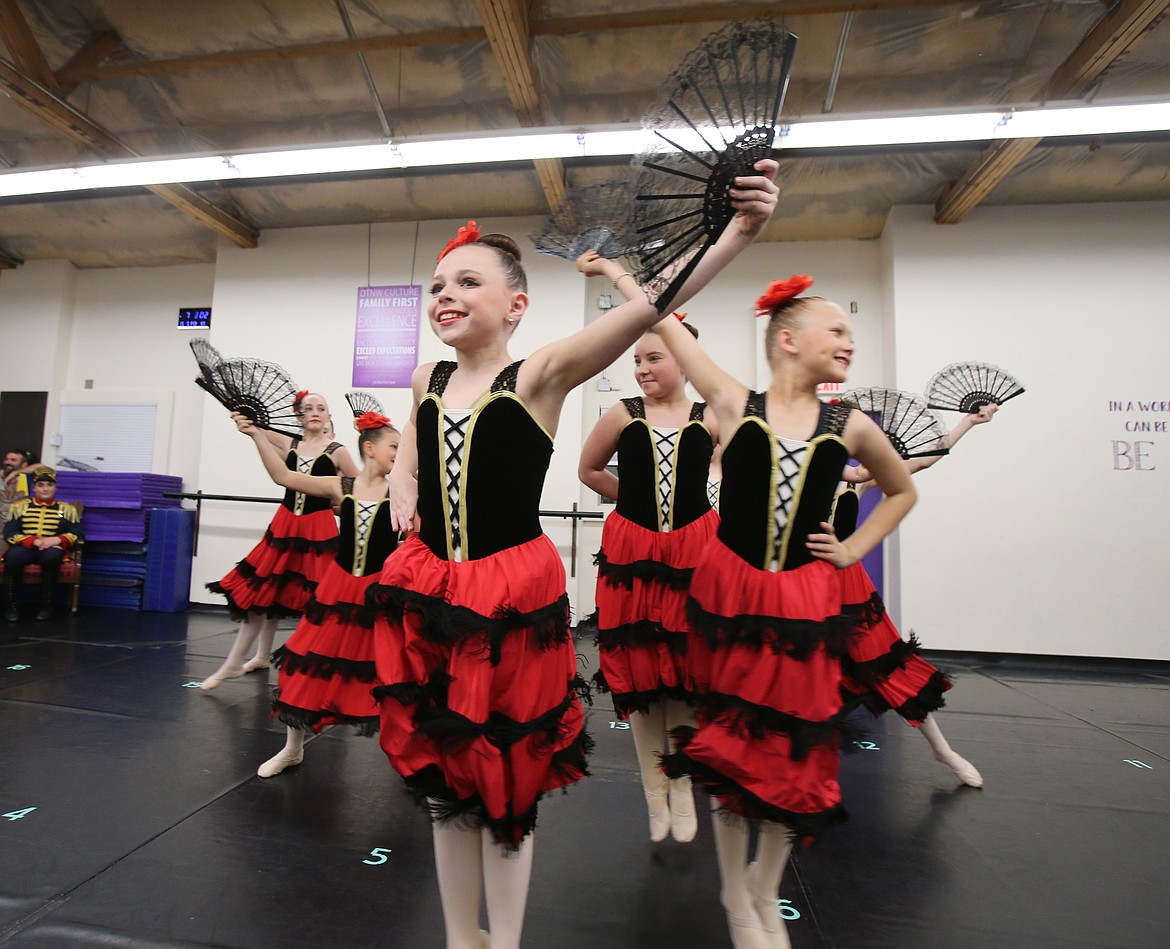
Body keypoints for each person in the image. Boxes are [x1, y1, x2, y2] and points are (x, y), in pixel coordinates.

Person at [371, 164, 777, 949]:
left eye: (465, 281)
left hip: (506, 593)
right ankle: (462, 936)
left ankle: (509, 936)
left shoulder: (542, 373)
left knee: (504, 776)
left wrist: (738, 232)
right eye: (435, 286)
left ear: (516, 305)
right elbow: (416, 449)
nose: (443, 295)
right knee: (444, 776)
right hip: (431, 588)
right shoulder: (427, 374)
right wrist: (401, 486)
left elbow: (651, 307)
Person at [655, 275, 917, 949]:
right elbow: (670, 329)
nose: (848, 343)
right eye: (837, 331)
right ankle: (731, 890)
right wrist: (625, 277)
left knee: (796, 749)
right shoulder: (735, 402)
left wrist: (851, 547)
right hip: (732, 597)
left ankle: (762, 886)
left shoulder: (849, 422)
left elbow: (900, 489)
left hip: (801, 603)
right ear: (788, 340)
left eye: (852, 335)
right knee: (732, 744)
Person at [578, 303, 716, 845]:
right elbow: (588, 470)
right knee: (640, 672)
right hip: (633, 550)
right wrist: (632, 499)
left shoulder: (711, 416)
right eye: (637, 359)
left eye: (652, 357)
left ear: (684, 359)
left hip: (693, 551)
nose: (640, 368)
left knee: (681, 671)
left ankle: (679, 782)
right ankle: (651, 785)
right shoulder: (622, 413)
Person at [832, 404, 999, 789]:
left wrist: (967, 424)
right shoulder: (791, 472)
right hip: (799, 584)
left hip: (847, 585)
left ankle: (942, 749)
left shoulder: (856, 478)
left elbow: (920, 462)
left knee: (889, 666)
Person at [229, 408, 401, 777]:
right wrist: (256, 434)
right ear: (369, 449)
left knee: (398, 673)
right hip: (338, 591)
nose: (400, 454)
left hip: (381, 592)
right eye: (394, 447)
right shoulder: (341, 488)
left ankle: (413, 761)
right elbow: (283, 476)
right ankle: (292, 749)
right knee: (304, 664)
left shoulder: (406, 491)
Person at [202, 392, 360, 690]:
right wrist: (243, 421)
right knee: (267, 590)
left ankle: (326, 666)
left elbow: (359, 488)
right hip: (286, 525)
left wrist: (344, 508)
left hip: (318, 531)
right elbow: (257, 429)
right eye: (308, 408)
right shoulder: (290, 444)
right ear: (299, 416)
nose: (315, 412)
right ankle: (248, 659)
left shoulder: (337, 451)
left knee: (321, 600)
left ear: (328, 416)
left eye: (321, 408)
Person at [3, 465, 84, 622]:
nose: (45, 489)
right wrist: (34, 541)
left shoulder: (67, 510)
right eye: (41, 485)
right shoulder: (19, 507)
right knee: (13, 558)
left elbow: (77, 533)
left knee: (52, 558)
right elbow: (10, 533)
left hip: (52, 548)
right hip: (26, 546)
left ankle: (47, 606)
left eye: (49, 485)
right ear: (34, 487)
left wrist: (57, 539)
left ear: (55, 487)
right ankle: (12, 606)